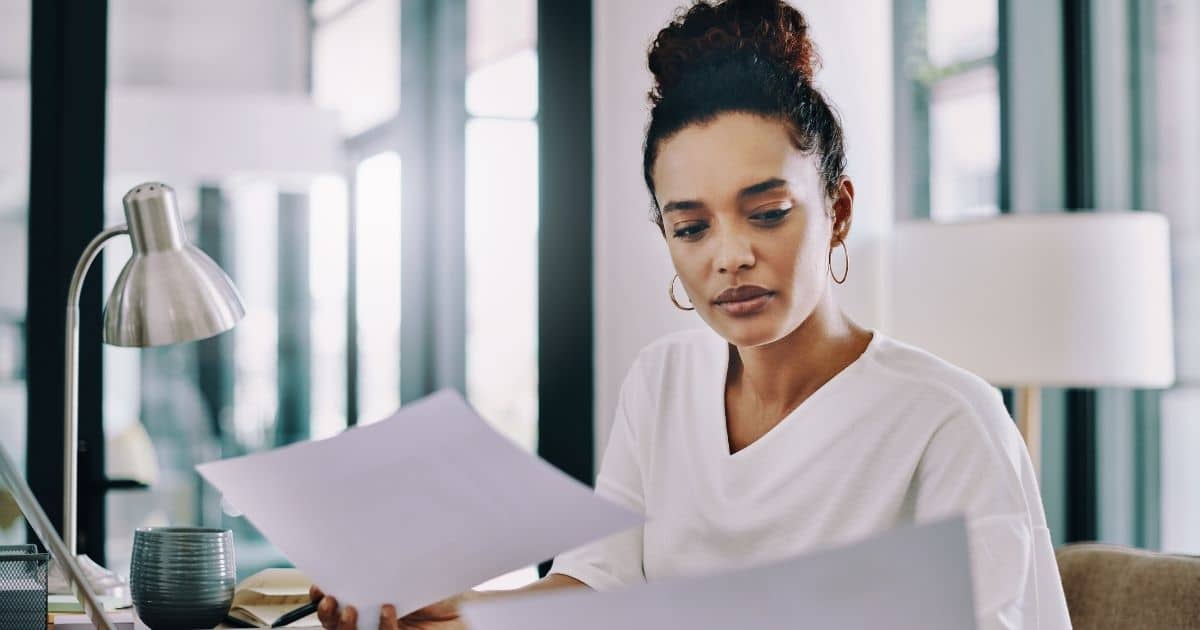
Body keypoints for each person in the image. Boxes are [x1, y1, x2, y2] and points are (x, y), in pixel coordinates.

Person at [312, 1, 1072, 628]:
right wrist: (459, 610)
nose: (729, 257)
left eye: (767, 213)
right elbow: (599, 583)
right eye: (691, 227)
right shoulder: (663, 381)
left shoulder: (948, 420)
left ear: (837, 212)